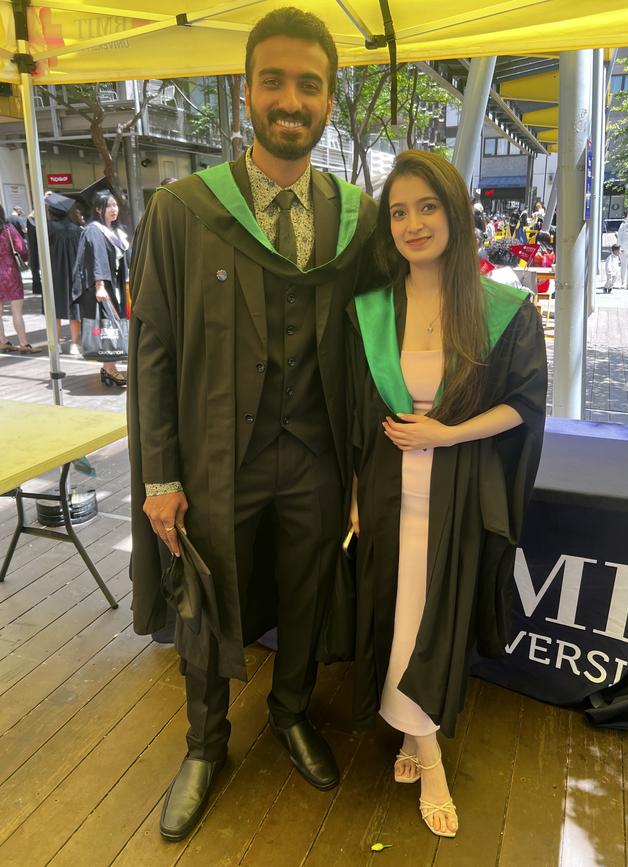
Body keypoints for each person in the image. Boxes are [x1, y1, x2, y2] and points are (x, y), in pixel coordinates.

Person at [127, 7, 376, 842]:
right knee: (206, 596)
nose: (290, 98)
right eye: (273, 80)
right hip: (214, 457)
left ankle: (292, 710)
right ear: (246, 92)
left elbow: (383, 335)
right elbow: (153, 349)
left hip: (315, 455)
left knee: (306, 590)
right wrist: (161, 477)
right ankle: (204, 743)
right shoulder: (183, 211)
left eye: (309, 83)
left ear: (331, 100)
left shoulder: (359, 218)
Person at [345, 151, 547, 839]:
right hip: (385, 491)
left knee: (431, 620)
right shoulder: (371, 310)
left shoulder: (500, 305)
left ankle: (423, 749)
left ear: (456, 213)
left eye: (427, 206)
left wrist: (448, 431)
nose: (413, 223)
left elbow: (525, 402)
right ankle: (419, 740)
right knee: (395, 617)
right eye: (398, 211)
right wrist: (351, 488)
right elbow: (350, 411)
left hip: (454, 491)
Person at [72, 191, 129, 384]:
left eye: (115, 205)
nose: (114, 210)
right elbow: (96, 259)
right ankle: (110, 368)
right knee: (107, 326)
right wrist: (100, 286)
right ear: (98, 209)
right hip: (102, 286)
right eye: (109, 206)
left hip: (114, 285)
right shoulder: (94, 230)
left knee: (110, 325)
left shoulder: (114, 230)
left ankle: (108, 367)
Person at [0, 204, 41, 354]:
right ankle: (24, 344)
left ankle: (3, 341)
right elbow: (22, 249)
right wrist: (25, 259)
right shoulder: (8, 229)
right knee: (16, 311)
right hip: (10, 272)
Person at [45, 193, 84, 347]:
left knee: (54, 309)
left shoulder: (47, 228)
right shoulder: (78, 230)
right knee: (74, 310)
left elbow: (32, 222)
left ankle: (55, 345)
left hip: (53, 273)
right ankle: (75, 344)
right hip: (74, 274)